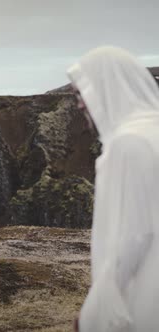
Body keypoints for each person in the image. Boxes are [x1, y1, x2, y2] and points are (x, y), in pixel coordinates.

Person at [68, 46, 159, 331]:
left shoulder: (128, 143)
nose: (80, 104)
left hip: (144, 295)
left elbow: (133, 237)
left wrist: (94, 315)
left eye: (81, 92)